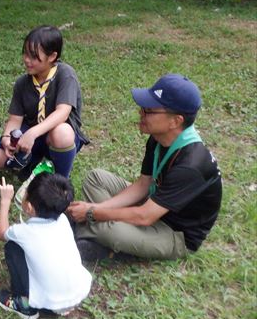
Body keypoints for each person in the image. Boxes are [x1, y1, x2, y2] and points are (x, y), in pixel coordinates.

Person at [67, 74, 223, 261]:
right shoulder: (159, 138)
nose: (141, 113)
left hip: (173, 233)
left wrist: (91, 213)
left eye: (149, 110)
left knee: (112, 230)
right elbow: (143, 185)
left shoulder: (191, 165)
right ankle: (99, 232)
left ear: (176, 121)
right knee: (96, 178)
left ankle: (111, 245)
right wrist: (95, 209)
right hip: (153, 202)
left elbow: (144, 217)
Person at [0, 25, 89, 179]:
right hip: (31, 137)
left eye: (33, 56)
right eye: (25, 54)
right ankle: (31, 162)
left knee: (62, 133)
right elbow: (15, 119)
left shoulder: (65, 74)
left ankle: (60, 180)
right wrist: (7, 139)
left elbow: (63, 112)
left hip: (56, 135)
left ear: (52, 56)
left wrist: (32, 133)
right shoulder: (22, 83)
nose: (27, 60)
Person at [0, 173, 91, 319]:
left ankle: (24, 305)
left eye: (26, 191)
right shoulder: (63, 219)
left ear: (30, 207)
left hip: (50, 300)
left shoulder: (24, 232)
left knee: (12, 246)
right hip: (76, 294)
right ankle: (60, 303)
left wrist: (5, 201)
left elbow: (2, 233)